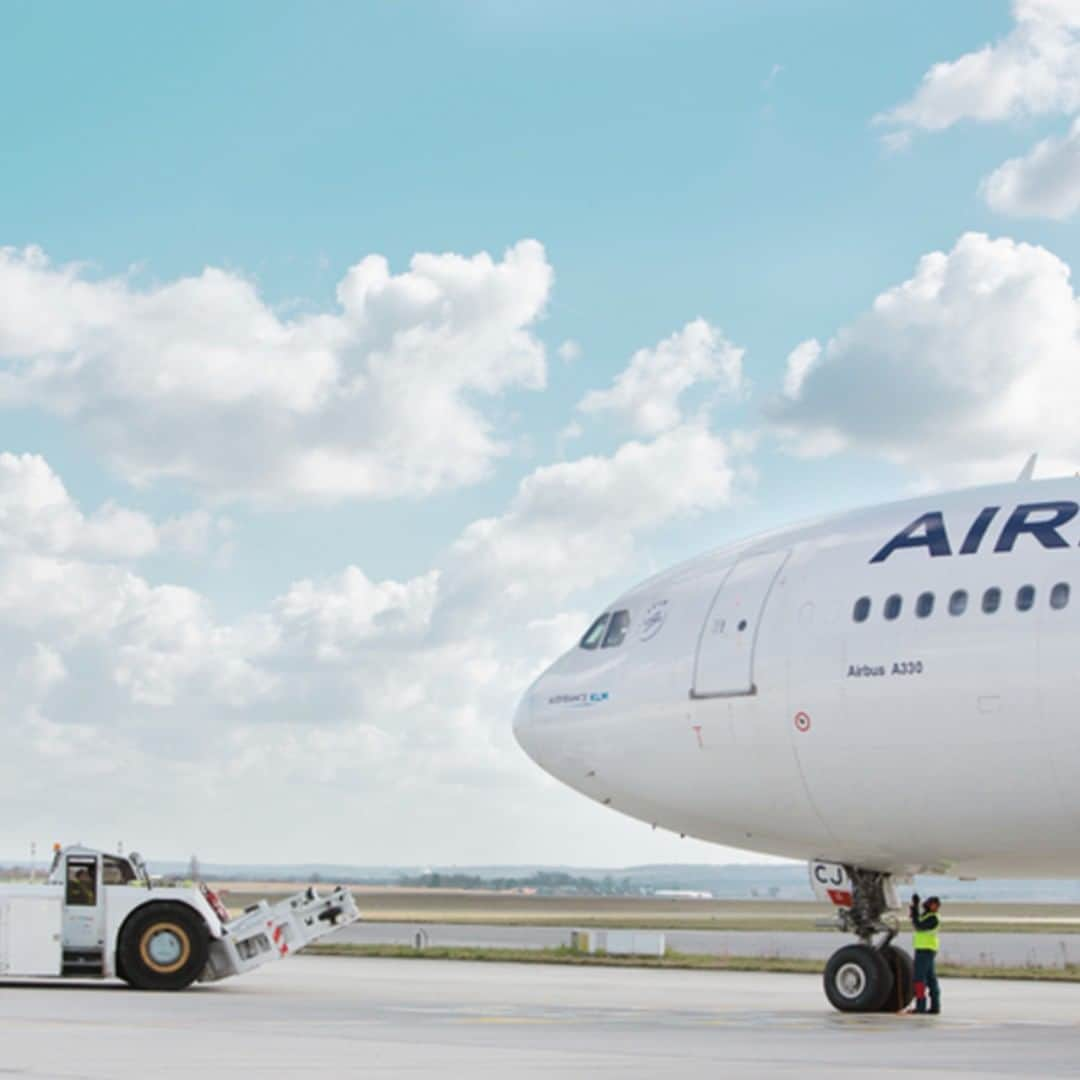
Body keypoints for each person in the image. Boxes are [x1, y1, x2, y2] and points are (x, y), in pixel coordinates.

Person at [909, 893, 942, 1014]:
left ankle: (920, 1006)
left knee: (919, 979)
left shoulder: (933, 918)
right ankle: (935, 1006)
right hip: (925, 950)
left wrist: (915, 909)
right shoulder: (927, 915)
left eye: (934, 904)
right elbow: (916, 920)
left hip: (925, 950)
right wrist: (914, 907)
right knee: (930, 978)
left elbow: (918, 926)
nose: (931, 906)